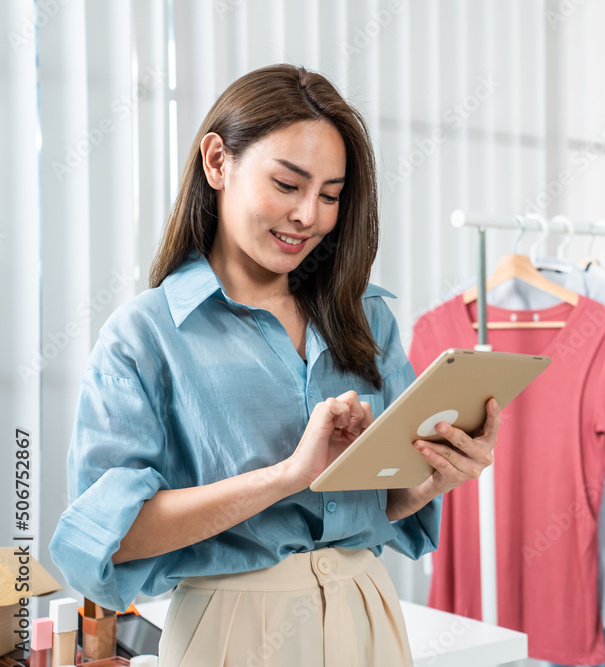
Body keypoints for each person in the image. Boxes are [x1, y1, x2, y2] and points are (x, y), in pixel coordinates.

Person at [48, 63, 500, 667]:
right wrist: (288, 475)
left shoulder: (366, 317)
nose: (308, 216)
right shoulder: (145, 336)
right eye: (288, 185)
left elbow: (382, 502)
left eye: (331, 196)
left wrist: (435, 479)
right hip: (232, 629)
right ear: (217, 162)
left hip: (369, 614)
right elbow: (106, 540)